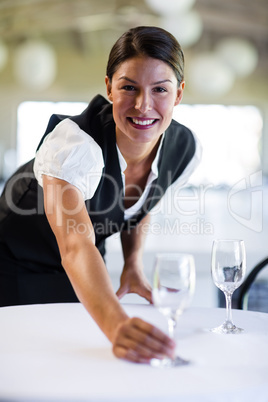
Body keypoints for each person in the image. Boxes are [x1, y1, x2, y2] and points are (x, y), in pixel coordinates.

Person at [0, 26, 200, 363]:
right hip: (16, 261)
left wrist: (133, 262)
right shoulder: (75, 144)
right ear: (109, 87)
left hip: (86, 261)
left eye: (160, 90)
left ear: (178, 94)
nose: (143, 105)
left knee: (88, 355)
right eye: (129, 87)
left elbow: (142, 203)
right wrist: (118, 325)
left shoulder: (185, 148)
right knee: (35, 360)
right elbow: (75, 244)